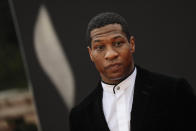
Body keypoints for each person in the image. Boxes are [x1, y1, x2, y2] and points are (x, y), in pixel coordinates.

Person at [69, 12, 196, 131]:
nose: (111, 54)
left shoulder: (173, 91)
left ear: (132, 44)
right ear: (91, 54)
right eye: (100, 47)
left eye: (118, 43)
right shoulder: (80, 115)